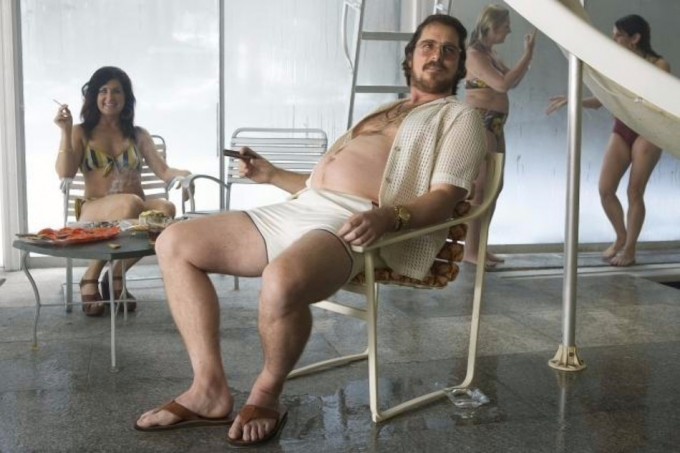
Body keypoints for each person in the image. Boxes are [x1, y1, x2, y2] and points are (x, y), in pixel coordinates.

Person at [134, 14, 486, 446]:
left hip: (358, 222)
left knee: (281, 279)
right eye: (428, 45)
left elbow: (446, 196)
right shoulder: (385, 110)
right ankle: (208, 390)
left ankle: (266, 392)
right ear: (411, 55)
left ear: (459, 64)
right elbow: (324, 183)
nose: (437, 55)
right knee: (174, 242)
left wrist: (389, 217)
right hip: (303, 208)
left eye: (449, 49)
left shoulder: (459, 118)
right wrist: (271, 174)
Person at [54, 66, 190, 316]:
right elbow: (65, 172)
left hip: (132, 209)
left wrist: (186, 177)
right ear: (94, 96)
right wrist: (65, 131)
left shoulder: (138, 135)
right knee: (131, 204)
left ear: (126, 97)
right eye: (103, 91)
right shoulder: (81, 132)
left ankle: (115, 275)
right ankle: (90, 277)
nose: (110, 97)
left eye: (117, 91)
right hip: (95, 210)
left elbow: (164, 171)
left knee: (165, 209)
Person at [546, 14, 670, 267]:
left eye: (618, 36)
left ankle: (630, 249)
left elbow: (652, 98)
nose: (613, 41)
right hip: (623, 127)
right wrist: (574, 100)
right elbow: (605, 100)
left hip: (648, 131)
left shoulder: (659, 65)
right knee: (605, 188)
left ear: (635, 38)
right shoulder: (616, 67)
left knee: (634, 191)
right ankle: (621, 236)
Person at [462, 4, 536, 266]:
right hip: (480, 120)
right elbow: (502, 84)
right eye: (506, 27)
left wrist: (527, 57)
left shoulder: (490, 53)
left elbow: (512, 81)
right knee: (481, 189)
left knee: (495, 187)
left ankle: (482, 247)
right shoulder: (474, 55)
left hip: (495, 122)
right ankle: (470, 251)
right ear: (491, 27)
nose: (509, 31)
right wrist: (527, 54)